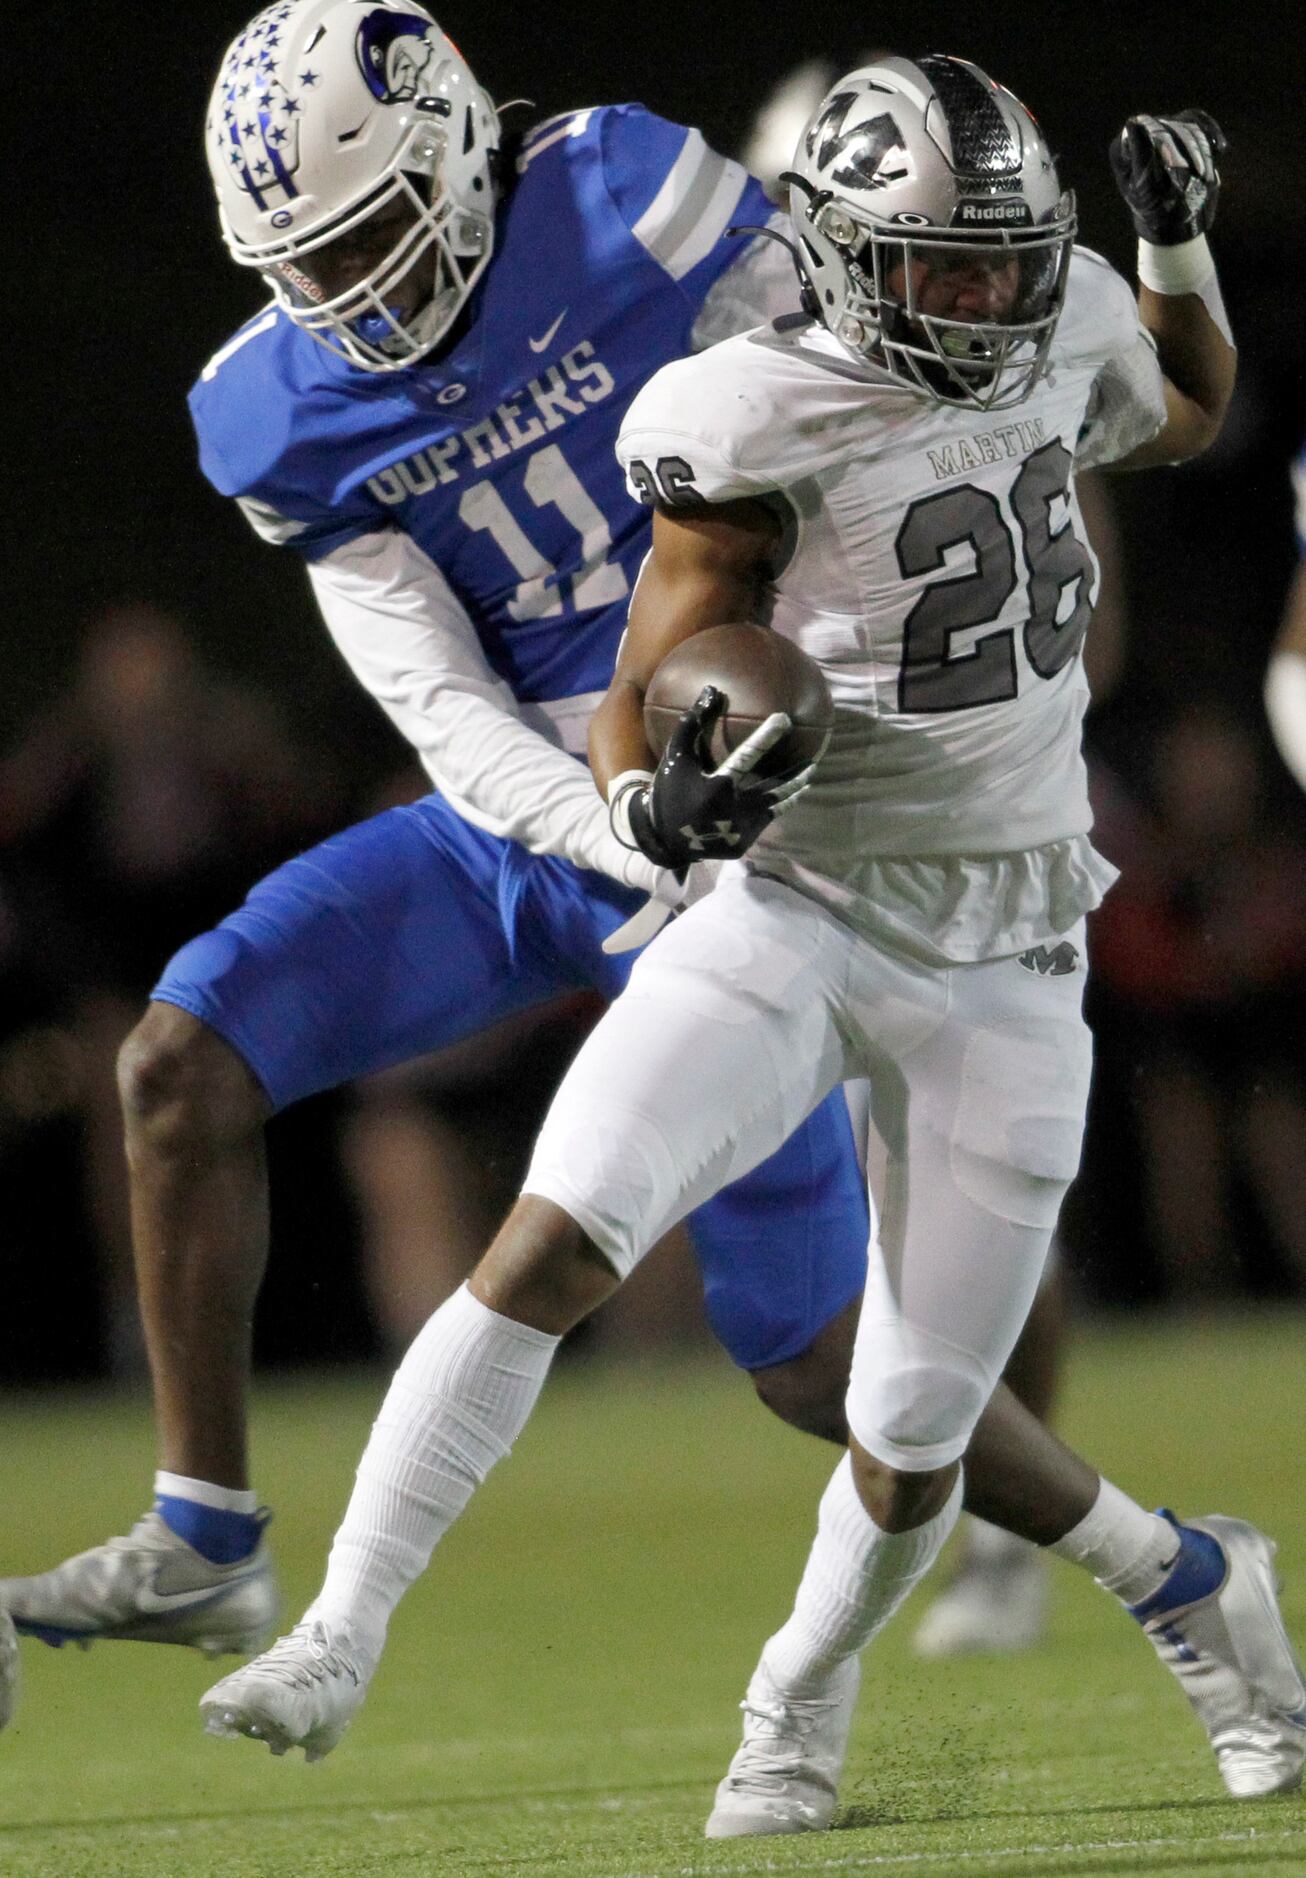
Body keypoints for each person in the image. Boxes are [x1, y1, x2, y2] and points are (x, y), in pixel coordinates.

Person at [194, 57, 1305, 1830]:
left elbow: (1182, 400)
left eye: (1010, 257)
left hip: (1014, 943)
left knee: (910, 1432)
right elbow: (644, 671)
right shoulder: (741, 408)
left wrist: (1172, 247)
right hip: (795, 902)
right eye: (943, 266)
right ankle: (339, 1625)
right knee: (553, 1235)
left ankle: (812, 1695)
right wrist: (638, 806)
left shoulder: (1068, 310)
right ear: (852, 257)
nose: (988, 296)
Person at [0, 0, 880, 1655]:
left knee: (814, 1366)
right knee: (173, 1064)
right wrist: (627, 830)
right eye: (309, 261)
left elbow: (839, 459)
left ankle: (1165, 1562)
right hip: (551, 823)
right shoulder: (277, 409)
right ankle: (204, 1534)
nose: (350, 297)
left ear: (462, 150)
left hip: (740, 797)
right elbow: (448, 712)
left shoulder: (626, 194)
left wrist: (777, 767)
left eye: (377, 235)